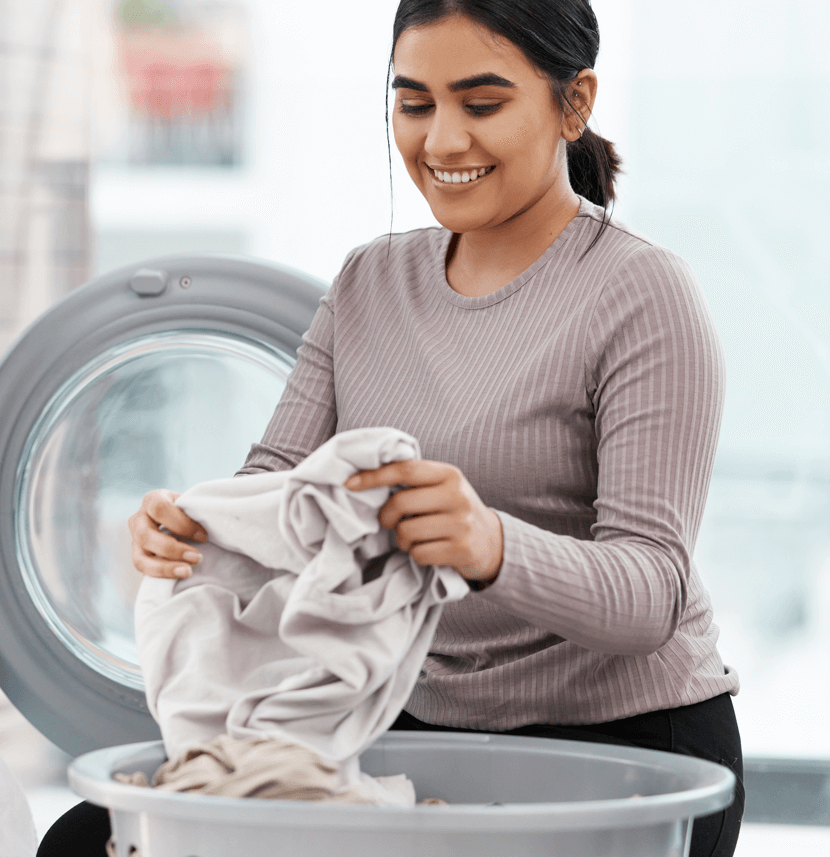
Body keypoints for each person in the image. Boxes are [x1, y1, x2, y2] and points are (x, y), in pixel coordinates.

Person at [37, 1, 745, 855]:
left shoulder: (642, 293)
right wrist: (191, 523)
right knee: (85, 842)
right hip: (405, 717)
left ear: (574, 102)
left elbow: (652, 592)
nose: (442, 142)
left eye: (481, 105)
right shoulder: (370, 281)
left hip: (622, 742)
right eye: (415, 104)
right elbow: (277, 487)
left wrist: (490, 545)